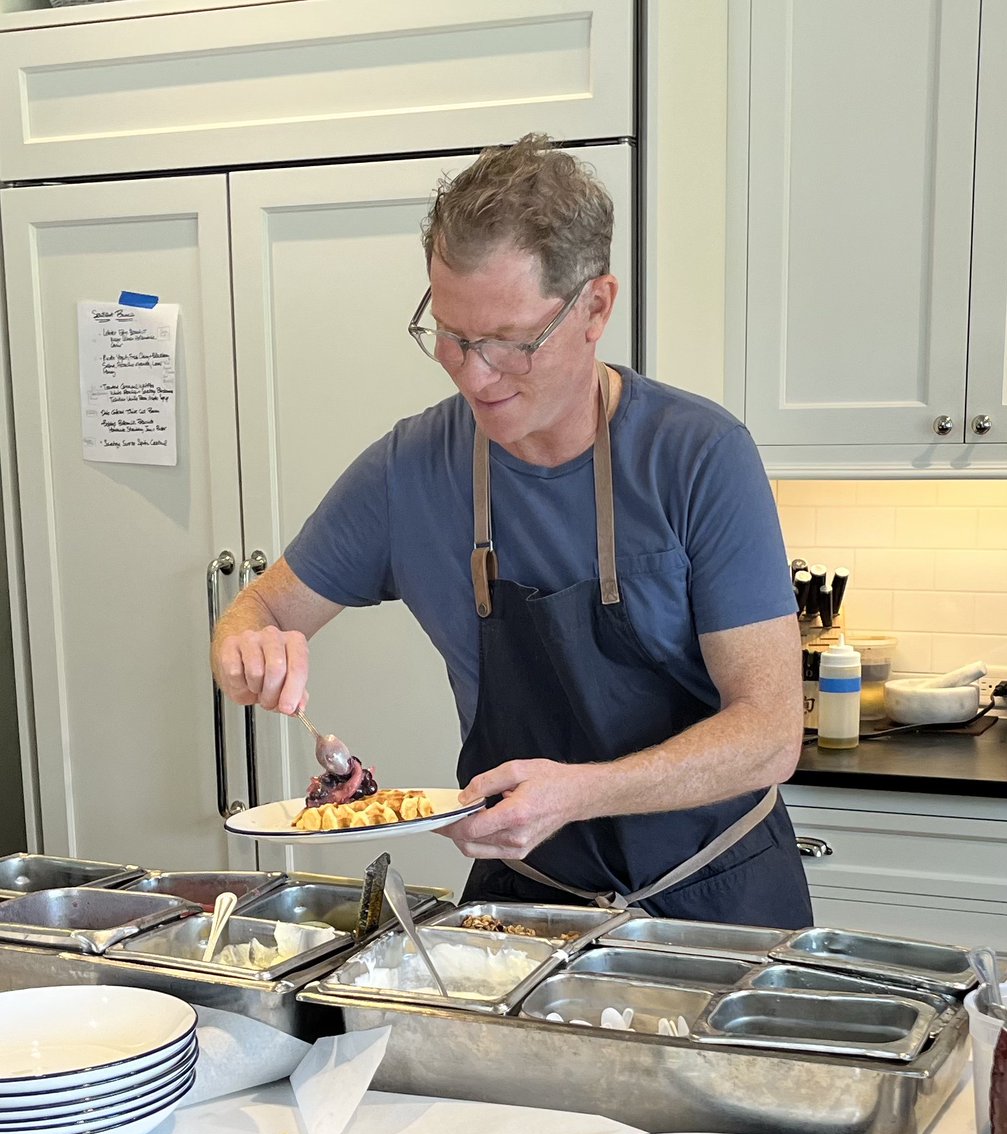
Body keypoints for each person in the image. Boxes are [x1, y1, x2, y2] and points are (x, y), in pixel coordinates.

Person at [211, 132, 812, 927]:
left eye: (509, 342)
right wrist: (246, 647)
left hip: (717, 899)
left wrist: (582, 791)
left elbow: (769, 735)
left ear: (595, 306)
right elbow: (257, 611)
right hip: (526, 903)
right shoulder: (409, 469)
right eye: (451, 336)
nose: (473, 373)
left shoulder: (698, 456)